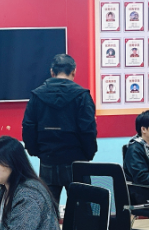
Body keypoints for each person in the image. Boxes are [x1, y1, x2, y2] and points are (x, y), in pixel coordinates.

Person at [22, 54, 97, 203]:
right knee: (82, 208)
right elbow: (88, 130)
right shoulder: (82, 96)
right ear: (73, 72)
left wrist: (37, 152)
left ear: (52, 72)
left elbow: (28, 127)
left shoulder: (37, 95)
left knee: (47, 210)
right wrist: (88, 154)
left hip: (48, 160)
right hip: (77, 161)